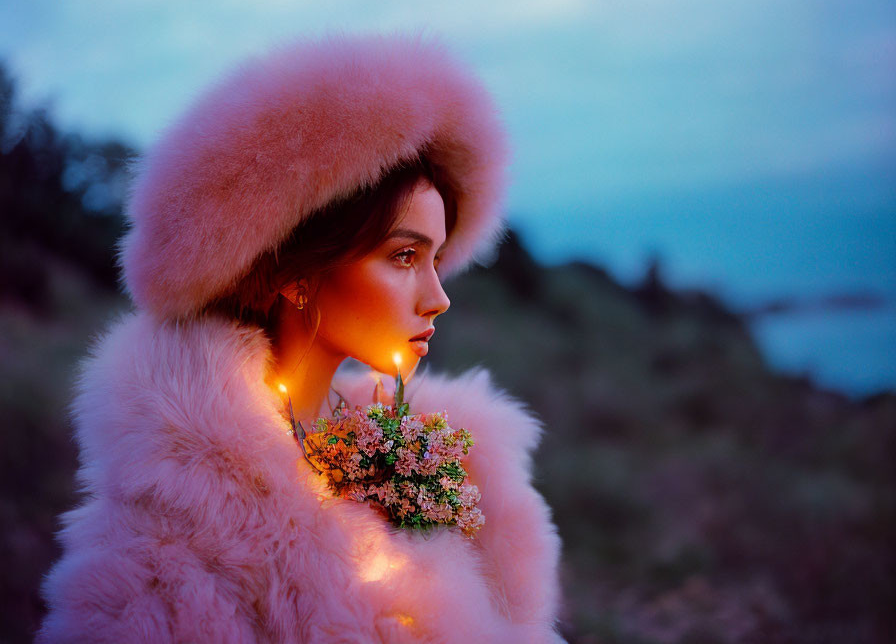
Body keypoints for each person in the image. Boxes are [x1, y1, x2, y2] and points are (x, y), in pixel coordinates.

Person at [37, 33, 563, 643]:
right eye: (402, 256)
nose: (438, 296)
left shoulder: (437, 466)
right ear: (297, 272)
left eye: (436, 259)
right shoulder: (163, 545)